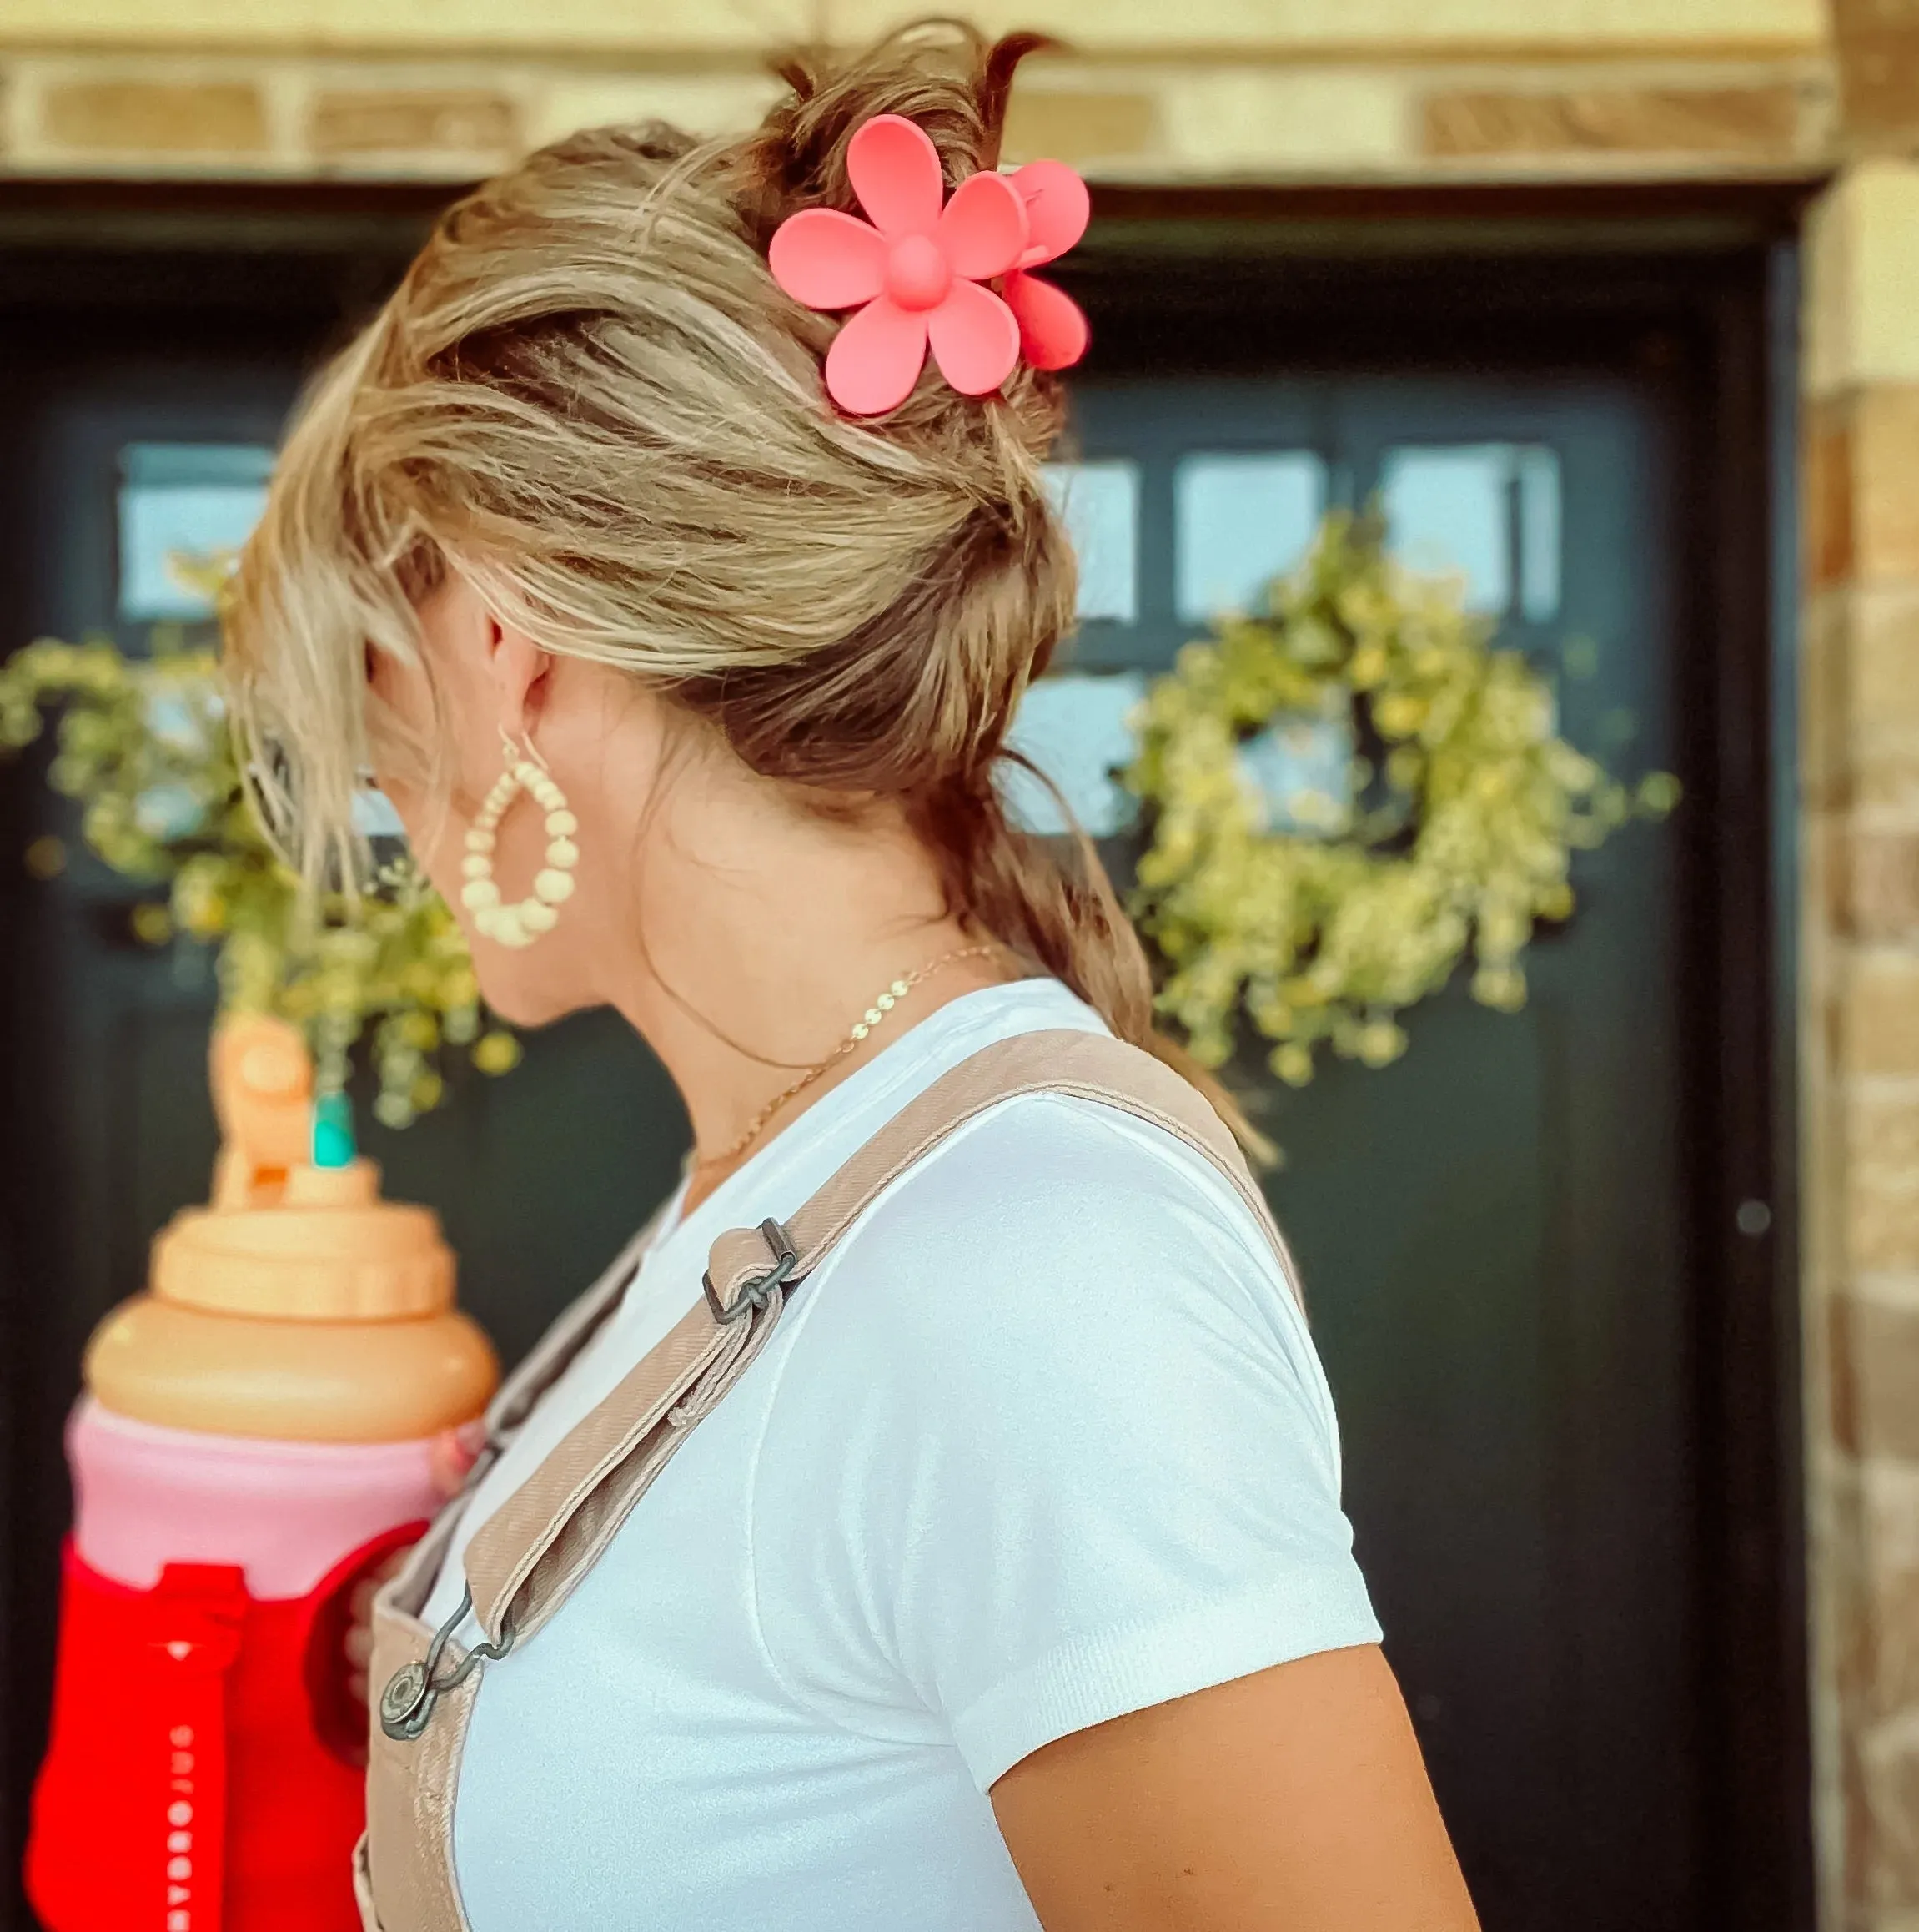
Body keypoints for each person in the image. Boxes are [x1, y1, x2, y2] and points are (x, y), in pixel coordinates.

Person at [225, 20, 1479, 1931]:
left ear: (500, 637)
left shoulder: (1033, 1263)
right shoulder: (796, 1180)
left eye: (374, 692)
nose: (388, 794)